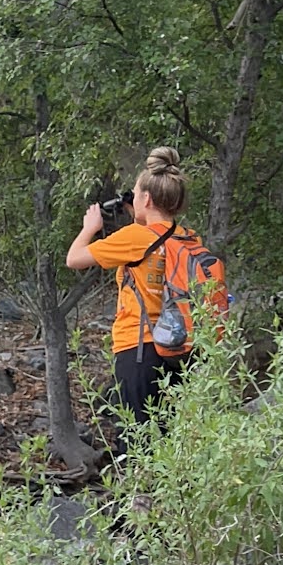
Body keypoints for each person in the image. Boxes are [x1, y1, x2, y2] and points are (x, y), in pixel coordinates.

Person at [69, 152, 221, 442]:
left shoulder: (134, 238)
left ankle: (138, 489)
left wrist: (90, 228)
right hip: (182, 352)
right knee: (171, 444)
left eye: (137, 194)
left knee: (138, 443)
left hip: (138, 350)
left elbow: (74, 258)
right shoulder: (188, 238)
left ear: (147, 200)